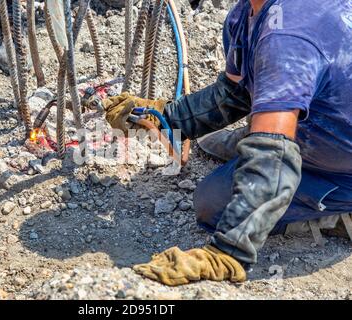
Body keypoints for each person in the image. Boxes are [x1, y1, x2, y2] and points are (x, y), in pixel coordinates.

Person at [102, 0, 352, 285]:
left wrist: (228, 252)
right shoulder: (246, 15)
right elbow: (235, 93)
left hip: (341, 168)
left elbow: (274, 157)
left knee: (212, 203)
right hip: (325, 125)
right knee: (253, 151)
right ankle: (265, 129)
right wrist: (167, 117)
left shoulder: (286, 39)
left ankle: (336, 214)